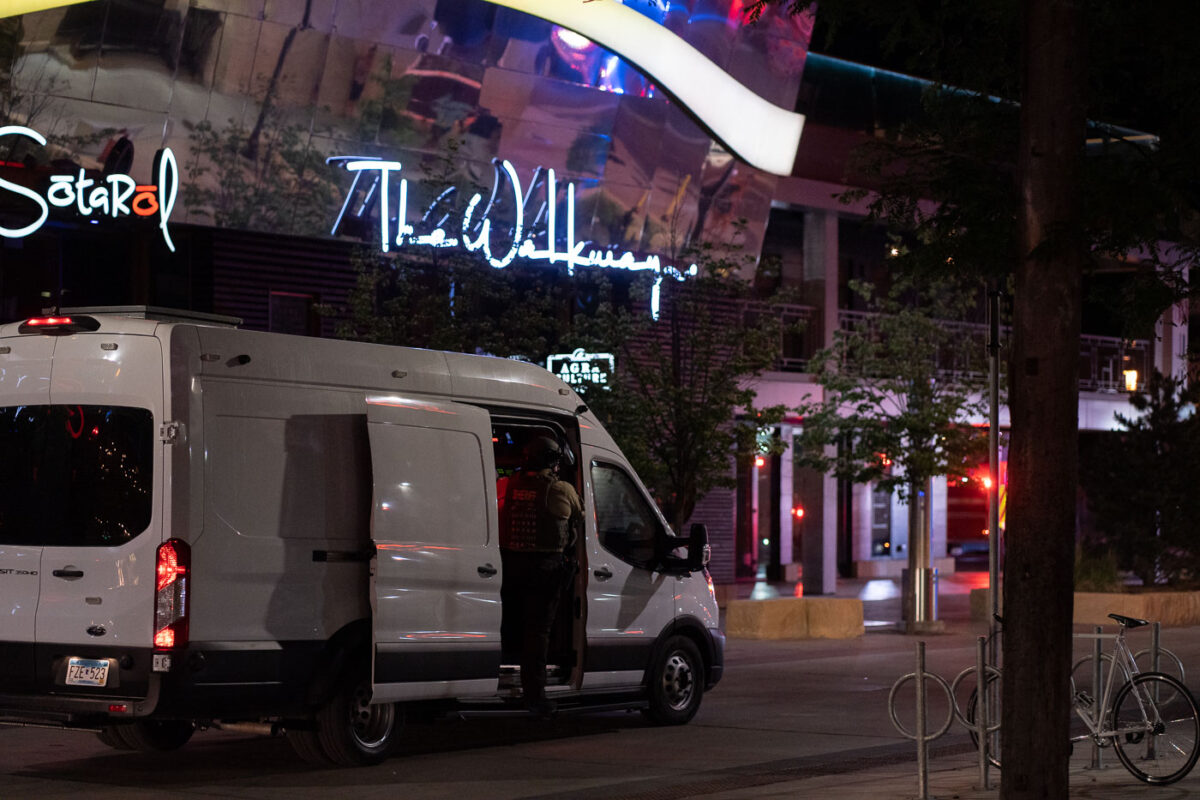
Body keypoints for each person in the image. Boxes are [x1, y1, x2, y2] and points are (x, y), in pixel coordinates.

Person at [499, 435, 582, 718]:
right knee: (539, 634)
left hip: (511, 566)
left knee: (517, 628)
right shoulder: (560, 489)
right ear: (552, 461)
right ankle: (536, 697)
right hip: (545, 569)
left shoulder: (510, 484)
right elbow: (581, 520)